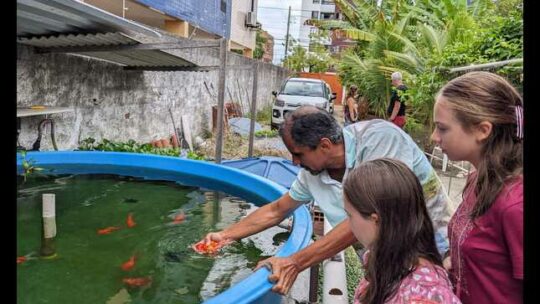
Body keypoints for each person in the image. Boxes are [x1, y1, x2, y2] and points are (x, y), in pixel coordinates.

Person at [197, 105, 455, 295]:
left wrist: (295, 262)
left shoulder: (380, 139)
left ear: (324, 145)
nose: (294, 162)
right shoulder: (313, 172)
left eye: (298, 154)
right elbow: (277, 210)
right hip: (384, 262)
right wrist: (227, 235)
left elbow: (374, 215)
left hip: (435, 252)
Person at [431, 71, 523, 303]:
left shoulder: (515, 205)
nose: (434, 137)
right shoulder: (477, 180)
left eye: (442, 128)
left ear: (483, 130)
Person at [344, 158, 461, 304]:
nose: (349, 224)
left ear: (376, 220)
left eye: (349, 215)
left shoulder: (423, 296)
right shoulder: (387, 264)